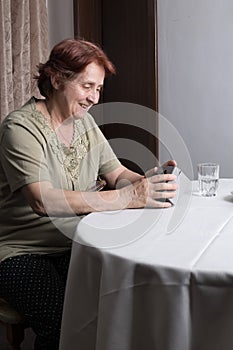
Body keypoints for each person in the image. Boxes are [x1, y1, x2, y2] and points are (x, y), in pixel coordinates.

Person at [0, 38, 178, 350]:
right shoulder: (20, 128)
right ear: (57, 79)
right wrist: (126, 198)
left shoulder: (85, 123)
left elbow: (117, 174)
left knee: (120, 304)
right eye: (87, 86)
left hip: (78, 240)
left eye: (98, 89)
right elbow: (42, 201)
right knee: (63, 322)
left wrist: (147, 184)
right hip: (21, 250)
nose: (94, 98)